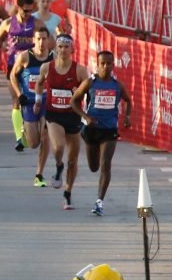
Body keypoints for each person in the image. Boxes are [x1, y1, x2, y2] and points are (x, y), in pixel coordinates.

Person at [71, 51, 131, 216]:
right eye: (102, 63)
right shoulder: (90, 83)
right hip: (91, 130)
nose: (106, 67)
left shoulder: (117, 85)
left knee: (105, 164)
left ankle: (99, 202)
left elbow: (129, 100)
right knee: (94, 167)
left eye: (109, 63)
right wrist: (85, 116)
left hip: (109, 130)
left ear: (113, 65)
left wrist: (127, 117)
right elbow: (73, 101)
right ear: (97, 64)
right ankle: (99, 199)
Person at [34, 34, 87, 209]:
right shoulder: (46, 67)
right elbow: (39, 83)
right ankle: (58, 165)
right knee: (58, 147)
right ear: (55, 49)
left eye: (66, 47)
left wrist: (80, 95)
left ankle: (68, 193)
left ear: (72, 49)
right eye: (60, 46)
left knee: (73, 160)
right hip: (54, 115)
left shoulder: (79, 70)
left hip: (73, 116)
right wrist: (37, 100)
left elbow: (88, 92)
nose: (63, 50)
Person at [9, 26, 53, 187]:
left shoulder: (53, 58)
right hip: (29, 102)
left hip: (47, 103)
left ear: (48, 40)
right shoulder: (25, 57)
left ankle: (39, 175)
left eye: (44, 38)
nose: (41, 42)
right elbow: (13, 75)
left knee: (45, 137)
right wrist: (19, 93)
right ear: (33, 40)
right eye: (38, 39)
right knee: (33, 143)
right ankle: (24, 130)